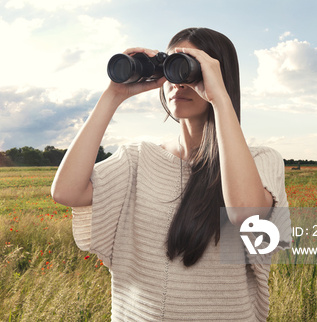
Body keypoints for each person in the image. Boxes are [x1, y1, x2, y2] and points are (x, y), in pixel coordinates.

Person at [50, 27, 291, 321]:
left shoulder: (261, 160)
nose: (179, 83)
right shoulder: (137, 158)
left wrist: (221, 99)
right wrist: (114, 94)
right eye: (171, 69)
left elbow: (245, 213)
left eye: (190, 70)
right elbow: (66, 192)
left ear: (219, 77)